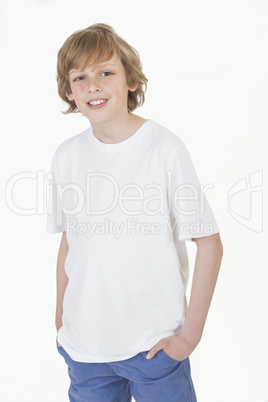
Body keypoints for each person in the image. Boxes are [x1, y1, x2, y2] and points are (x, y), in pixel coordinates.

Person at [46, 23, 223, 402]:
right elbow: (69, 241)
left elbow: (209, 243)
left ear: (130, 80)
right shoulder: (66, 157)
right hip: (85, 350)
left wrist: (189, 336)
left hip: (155, 347)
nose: (93, 85)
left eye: (105, 73)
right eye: (80, 77)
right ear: (69, 90)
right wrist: (60, 320)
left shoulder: (165, 149)